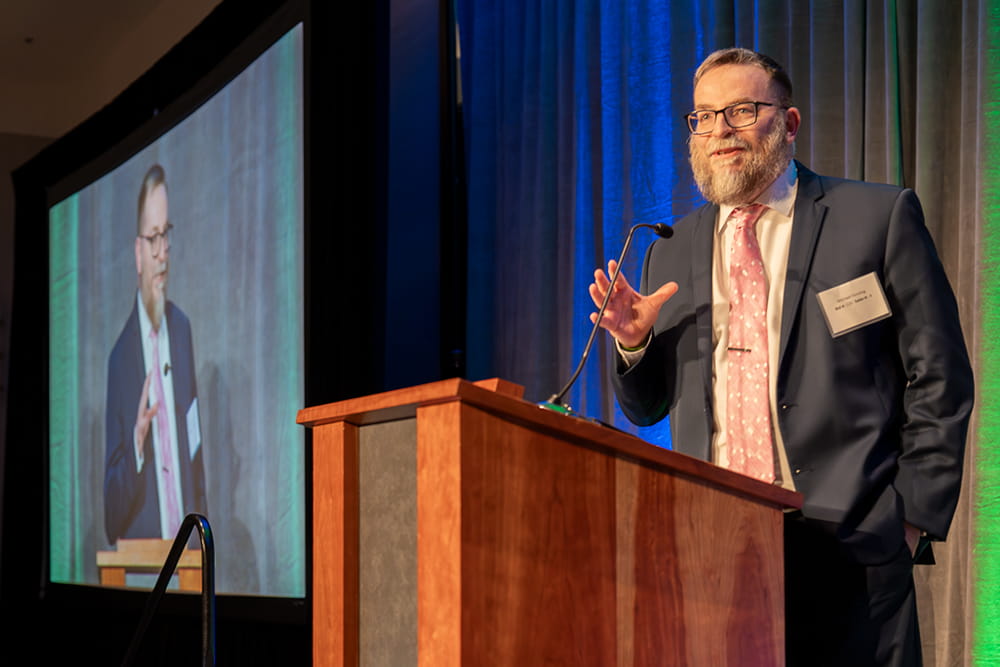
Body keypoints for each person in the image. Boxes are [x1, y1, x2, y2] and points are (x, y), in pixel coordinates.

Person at [590, 48, 973, 666]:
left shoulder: (874, 217)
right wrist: (633, 343)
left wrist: (910, 519)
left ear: (789, 123)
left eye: (742, 110)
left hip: (852, 547)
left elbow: (940, 375)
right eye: (704, 117)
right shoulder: (669, 250)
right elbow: (648, 406)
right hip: (714, 553)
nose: (720, 131)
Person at [104, 164, 207, 544]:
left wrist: (204, 548)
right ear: (137, 251)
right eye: (153, 237)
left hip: (191, 565)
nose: (163, 252)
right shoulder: (120, 359)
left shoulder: (182, 330)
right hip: (147, 576)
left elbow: (194, 450)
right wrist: (137, 440)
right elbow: (111, 516)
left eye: (167, 235)